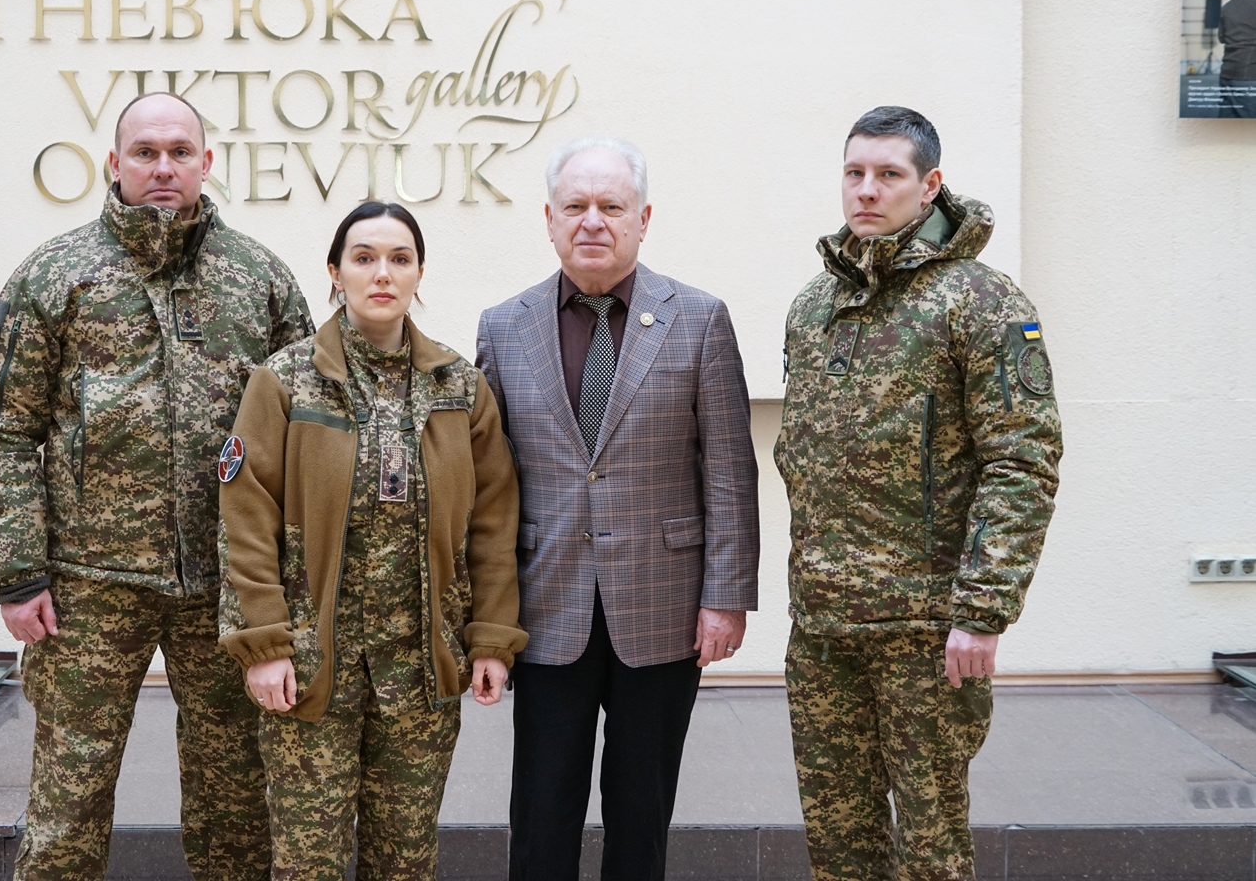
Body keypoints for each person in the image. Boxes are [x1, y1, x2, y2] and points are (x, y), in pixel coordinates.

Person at [0, 92, 314, 881]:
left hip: (225, 587)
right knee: (69, 803)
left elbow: (303, 442)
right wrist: (18, 575)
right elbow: (0, 431)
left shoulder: (259, 279)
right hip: (87, 586)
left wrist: (288, 582)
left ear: (206, 162)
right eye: (146, 152)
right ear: (114, 163)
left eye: (180, 152)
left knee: (237, 803)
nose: (163, 167)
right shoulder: (54, 276)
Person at [775, 106, 1063, 880]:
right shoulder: (815, 306)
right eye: (854, 173)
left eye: (889, 175)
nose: (866, 191)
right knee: (838, 845)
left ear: (929, 184)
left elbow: (1022, 462)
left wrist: (982, 610)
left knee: (930, 849)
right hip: (824, 627)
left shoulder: (981, 301)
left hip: (927, 630)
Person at [475, 137, 760, 881]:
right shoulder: (503, 326)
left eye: (611, 205)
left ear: (644, 218)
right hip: (545, 608)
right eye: (575, 205)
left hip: (665, 609)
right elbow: (488, 487)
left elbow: (729, 470)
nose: (592, 221)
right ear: (548, 219)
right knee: (541, 817)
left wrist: (726, 597)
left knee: (641, 818)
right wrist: (486, 619)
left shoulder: (699, 319)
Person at [218, 201, 526, 881]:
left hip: (420, 671)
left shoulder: (459, 386)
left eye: (399, 258)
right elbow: (245, 519)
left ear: (419, 273)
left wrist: (491, 639)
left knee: (405, 861)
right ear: (335, 272)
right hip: (311, 665)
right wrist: (264, 644)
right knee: (310, 864)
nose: (381, 273)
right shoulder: (284, 381)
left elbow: (494, 522)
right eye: (363, 258)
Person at [1218, 0, 1256, 118]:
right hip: (1250, 77)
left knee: (1227, 128)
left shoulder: (1229, 5)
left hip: (1227, 76)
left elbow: (1222, 38)